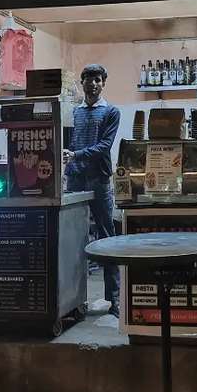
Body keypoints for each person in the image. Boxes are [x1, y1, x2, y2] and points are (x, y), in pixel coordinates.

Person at [62, 64, 121, 318]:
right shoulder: (72, 112)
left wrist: (75, 154)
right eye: (88, 79)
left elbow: (105, 145)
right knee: (73, 239)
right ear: (82, 83)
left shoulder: (111, 112)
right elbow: (65, 143)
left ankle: (114, 300)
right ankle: (72, 301)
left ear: (103, 83)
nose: (93, 84)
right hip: (75, 179)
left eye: (97, 79)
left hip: (99, 180)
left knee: (108, 239)